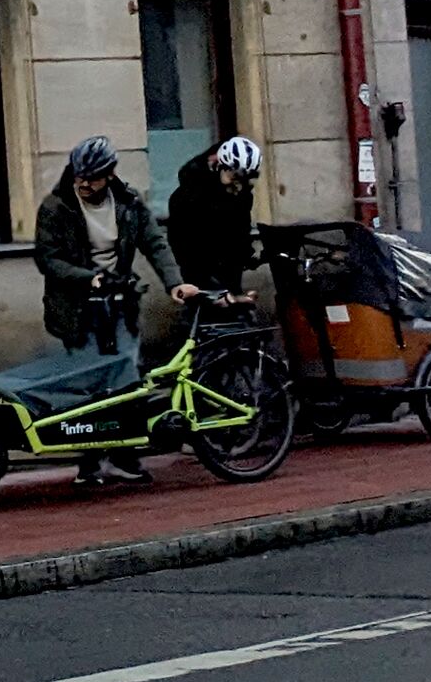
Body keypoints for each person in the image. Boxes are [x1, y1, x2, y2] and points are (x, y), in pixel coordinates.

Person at [32, 136, 196, 486]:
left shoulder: (128, 203)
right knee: (90, 384)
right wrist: (86, 278)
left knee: (125, 380)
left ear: (109, 175)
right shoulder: (56, 207)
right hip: (76, 310)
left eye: (92, 178)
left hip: (120, 303)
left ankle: (124, 457)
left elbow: (155, 243)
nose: (84, 183)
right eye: (80, 176)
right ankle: (89, 462)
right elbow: (47, 259)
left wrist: (175, 284)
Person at [165, 135, 264, 297]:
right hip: (198, 267)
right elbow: (181, 241)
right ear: (220, 167)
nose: (238, 187)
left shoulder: (243, 194)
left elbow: (241, 227)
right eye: (234, 178)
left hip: (229, 267)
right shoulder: (190, 194)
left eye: (244, 180)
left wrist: (246, 254)